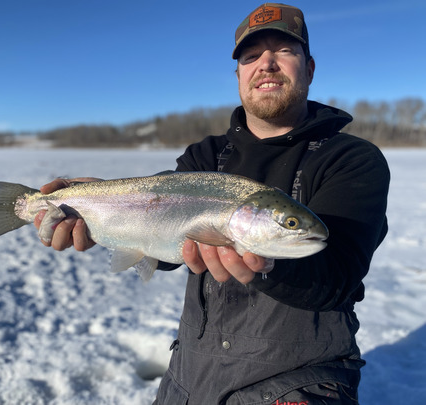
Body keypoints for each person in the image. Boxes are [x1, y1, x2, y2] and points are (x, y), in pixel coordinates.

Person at [35, 3, 390, 404]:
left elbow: (336, 277)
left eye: (284, 52)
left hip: (301, 379)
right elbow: (168, 244)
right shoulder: (206, 155)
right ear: (239, 75)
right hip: (190, 374)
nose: (266, 64)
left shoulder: (350, 159)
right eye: (251, 56)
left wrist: (264, 265)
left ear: (308, 69)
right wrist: (108, 208)